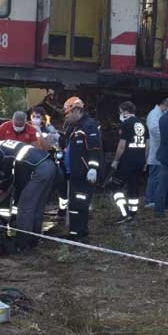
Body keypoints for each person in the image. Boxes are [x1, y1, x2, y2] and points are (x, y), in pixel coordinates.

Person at [0, 139, 57, 252]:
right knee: (37, 207)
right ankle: (33, 241)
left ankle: (21, 245)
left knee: (25, 209)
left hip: (38, 170)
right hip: (49, 165)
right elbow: (8, 182)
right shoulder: (4, 147)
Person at [61, 97, 102, 242]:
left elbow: (95, 150)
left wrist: (93, 168)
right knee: (74, 204)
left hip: (84, 174)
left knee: (79, 204)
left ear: (77, 110)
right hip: (74, 173)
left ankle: (79, 234)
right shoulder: (74, 127)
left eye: (68, 113)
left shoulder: (88, 126)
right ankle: (76, 232)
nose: (66, 116)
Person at [109, 101, 148, 224]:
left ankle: (124, 213)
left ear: (125, 111)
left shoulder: (126, 124)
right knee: (133, 187)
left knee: (114, 186)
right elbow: (148, 145)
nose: (120, 114)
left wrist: (116, 160)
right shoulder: (143, 124)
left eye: (121, 112)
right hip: (139, 160)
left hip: (127, 161)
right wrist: (145, 160)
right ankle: (132, 214)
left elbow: (121, 145)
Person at [145, 98, 168, 208]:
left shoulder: (158, 113)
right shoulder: (155, 114)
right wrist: (165, 137)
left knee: (156, 177)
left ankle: (154, 199)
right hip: (156, 149)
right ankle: (150, 200)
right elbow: (154, 129)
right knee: (154, 176)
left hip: (158, 149)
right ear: (164, 105)